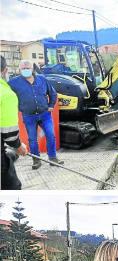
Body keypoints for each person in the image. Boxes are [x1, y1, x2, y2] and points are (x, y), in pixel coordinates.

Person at [8, 59, 63, 170]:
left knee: (51, 136)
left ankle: (53, 159)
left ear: (32, 69)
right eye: (23, 68)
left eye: (28, 68)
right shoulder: (13, 83)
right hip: (28, 116)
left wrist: (51, 105)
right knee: (32, 139)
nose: (25, 70)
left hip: (45, 114)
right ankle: (36, 160)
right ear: (19, 69)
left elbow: (52, 93)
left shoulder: (42, 79)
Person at [0, 56, 28, 190]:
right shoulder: (6, 94)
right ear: (5, 70)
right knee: (13, 188)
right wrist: (18, 147)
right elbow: (10, 134)